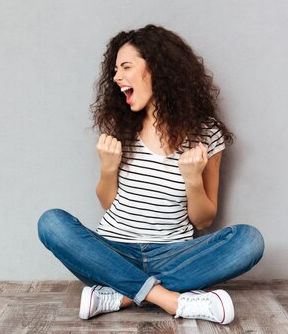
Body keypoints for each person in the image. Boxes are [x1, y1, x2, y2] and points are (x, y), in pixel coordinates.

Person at [37, 24, 264, 325]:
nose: (116, 77)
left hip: (173, 253)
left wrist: (193, 180)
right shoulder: (121, 126)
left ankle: (120, 294)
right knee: (51, 223)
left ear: (156, 69)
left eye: (126, 67)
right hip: (113, 250)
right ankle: (171, 300)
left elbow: (204, 219)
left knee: (249, 241)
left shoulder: (206, 134)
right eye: (115, 69)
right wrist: (107, 168)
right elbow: (109, 204)